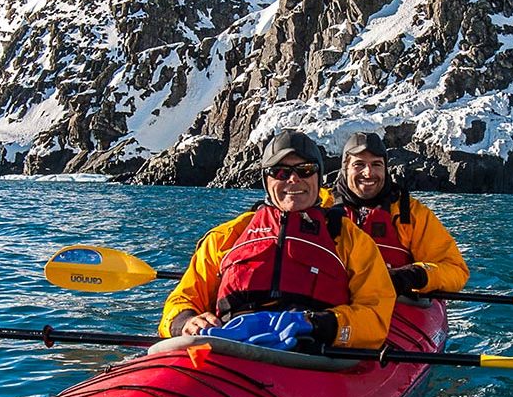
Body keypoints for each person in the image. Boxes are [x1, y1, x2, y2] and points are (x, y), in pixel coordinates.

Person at [158, 130, 395, 350]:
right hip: (229, 345)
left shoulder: (351, 240)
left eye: (305, 170)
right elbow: (182, 299)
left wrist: (317, 323)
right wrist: (185, 321)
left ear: (319, 177)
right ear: (266, 179)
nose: (293, 179)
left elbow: (375, 315)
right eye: (280, 172)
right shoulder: (226, 237)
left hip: (314, 351)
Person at [329, 131, 469, 298]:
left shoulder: (411, 214)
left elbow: (455, 270)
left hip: (397, 304)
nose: (368, 173)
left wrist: (413, 275)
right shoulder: (323, 207)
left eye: (376, 164)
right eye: (359, 164)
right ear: (345, 168)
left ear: (385, 169)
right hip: (335, 304)